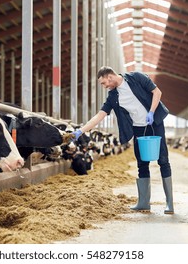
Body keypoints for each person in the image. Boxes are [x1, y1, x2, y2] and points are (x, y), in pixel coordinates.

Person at [71, 66, 174, 214]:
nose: (104, 86)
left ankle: (169, 203)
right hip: (138, 129)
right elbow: (99, 116)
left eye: (103, 83)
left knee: (163, 160)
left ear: (109, 77)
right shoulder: (113, 97)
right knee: (142, 163)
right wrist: (81, 130)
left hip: (154, 123)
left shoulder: (136, 77)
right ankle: (144, 202)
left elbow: (157, 92)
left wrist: (151, 111)